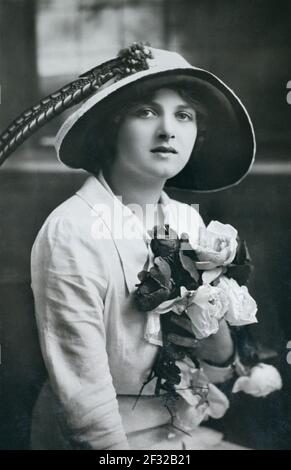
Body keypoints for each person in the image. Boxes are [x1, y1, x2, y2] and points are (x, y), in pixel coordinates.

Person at [29, 44, 257, 450]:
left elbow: (216, 365)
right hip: (104, 438)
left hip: (181, 426)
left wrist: (212, 314)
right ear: (112, 126)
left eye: (183, 116)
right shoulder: (73, 229)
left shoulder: (188, 221)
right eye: (146, 112)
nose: (168, 130)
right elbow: (84, 398)